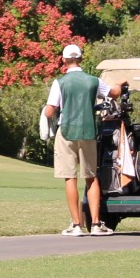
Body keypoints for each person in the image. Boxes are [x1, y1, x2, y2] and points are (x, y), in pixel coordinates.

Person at [43, 43, 110, 236]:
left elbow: (49, 111)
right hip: (88, 131)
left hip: (67, 131)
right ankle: (96, 224)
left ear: (64, 60)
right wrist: (120, 85)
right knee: (91, 177)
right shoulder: (94, 81)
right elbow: (112, 93)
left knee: (70, 178)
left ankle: (76, 224)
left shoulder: (60, 82)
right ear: (81, 59)